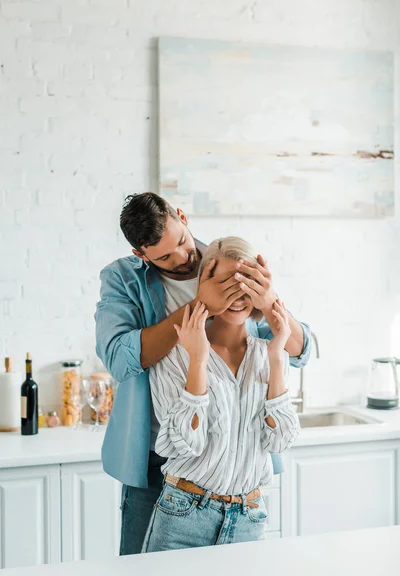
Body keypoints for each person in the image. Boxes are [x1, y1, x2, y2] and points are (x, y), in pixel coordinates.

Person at [95, 192, 311, 555]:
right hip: (159, 457)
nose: (181, 259)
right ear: (141, 255)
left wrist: (273, 303)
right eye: (163, 256)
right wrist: (201, 306)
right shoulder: (122, 279)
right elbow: (120, 359)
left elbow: (302, 349)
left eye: (181, 242)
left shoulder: (228, 259)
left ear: (183, 216)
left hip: (237, 470)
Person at [142, 237, 300, 552]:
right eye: (225, 282)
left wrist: (276, 356)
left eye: (247, 282)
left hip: (248, 518)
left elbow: (280, 440)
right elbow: (183, 444)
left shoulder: (269, 354)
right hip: (183, 516)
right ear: (205, 286)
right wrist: (198, 360)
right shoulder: (177, 355)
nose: (237, 293)